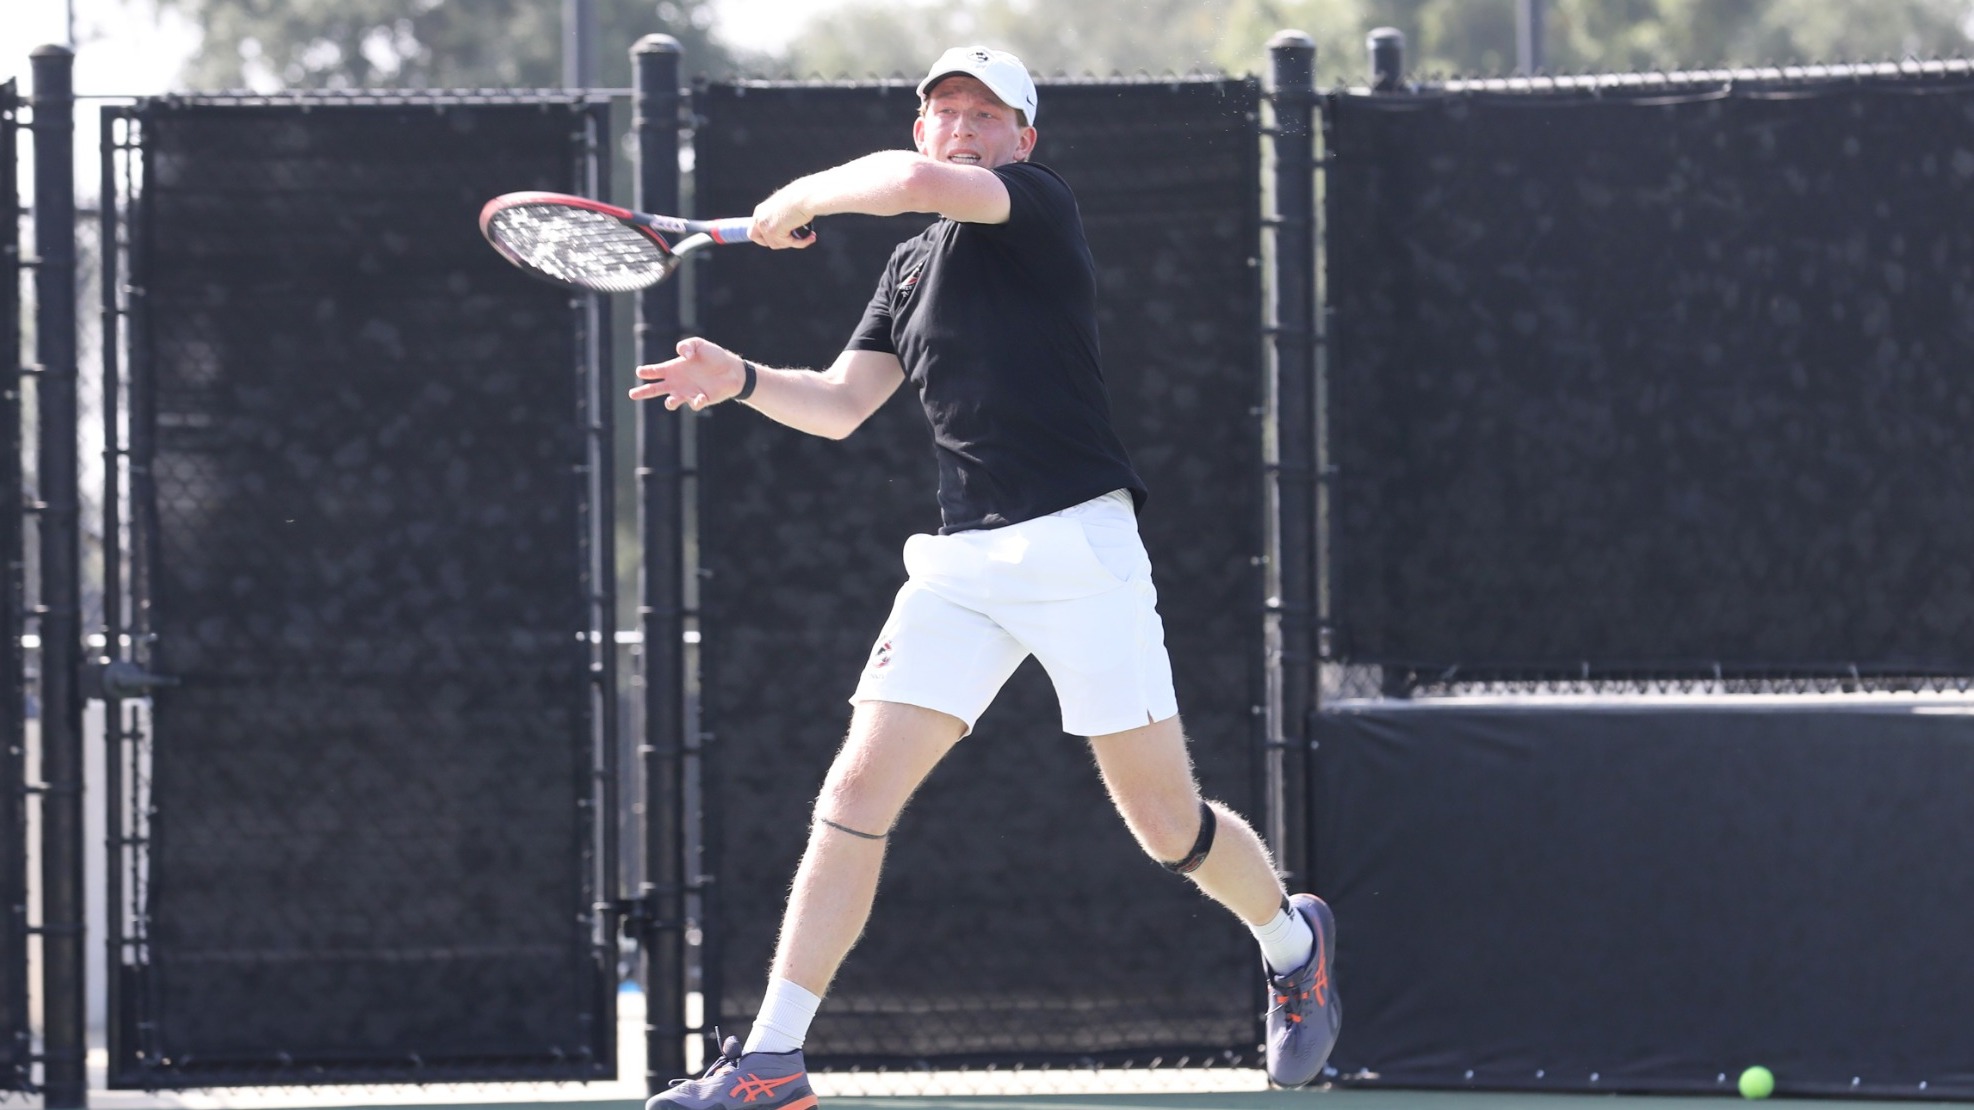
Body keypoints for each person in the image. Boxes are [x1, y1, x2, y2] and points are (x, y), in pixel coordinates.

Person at [631, 46, 1340, 1110]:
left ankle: (1293, 945)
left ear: (1021, 140)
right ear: (921, 126)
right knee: (856, 791)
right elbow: (835, 405)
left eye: (983, 112)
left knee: (1165, 825)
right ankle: (773, 1060)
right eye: (942, 111)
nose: (958, 126)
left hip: (1080, 547)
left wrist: (803, 195)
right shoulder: (908, 269)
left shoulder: (1036, 208)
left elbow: (914, 187)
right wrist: (737, 380)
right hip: (961, 567)